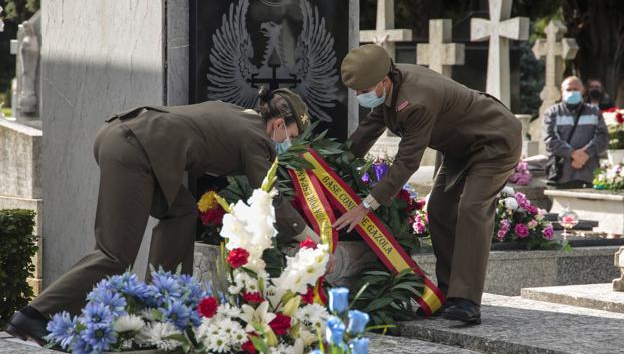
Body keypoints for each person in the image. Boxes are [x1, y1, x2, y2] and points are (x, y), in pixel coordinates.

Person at [7, 88, 320, 344]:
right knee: (114, 253)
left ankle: (156, 309)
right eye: (291, 134)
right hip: (133, 149)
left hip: (128, 140)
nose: (288, 143)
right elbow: (268, 197)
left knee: (182, 212)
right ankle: (33, 316)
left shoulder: (239, 115)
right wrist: (307, 237)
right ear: (279, 124)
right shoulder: (259, 138)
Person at [334, 44, 522, 325]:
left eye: (363, 91)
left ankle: (467, 300)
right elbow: (366, 132)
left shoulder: (416, 99)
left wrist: (366, 205)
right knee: (439, 209)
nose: (360, 97)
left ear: (383, 81)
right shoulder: (390, 88)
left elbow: (407, 161)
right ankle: (448, 294)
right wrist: (333, 167)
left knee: (471, 208)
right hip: (461, 148)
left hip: (494, 141)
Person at [544, 76, 608, 188]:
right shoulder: (553, 112)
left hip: (589, 176)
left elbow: (602, 138)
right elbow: (550, 140)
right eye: (569, 89)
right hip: (561, 176)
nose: (572, 92)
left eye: (576, 89)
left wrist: (586, 153)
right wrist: (573, 154)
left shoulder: (594, 112)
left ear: (582, 91)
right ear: (562, 91)